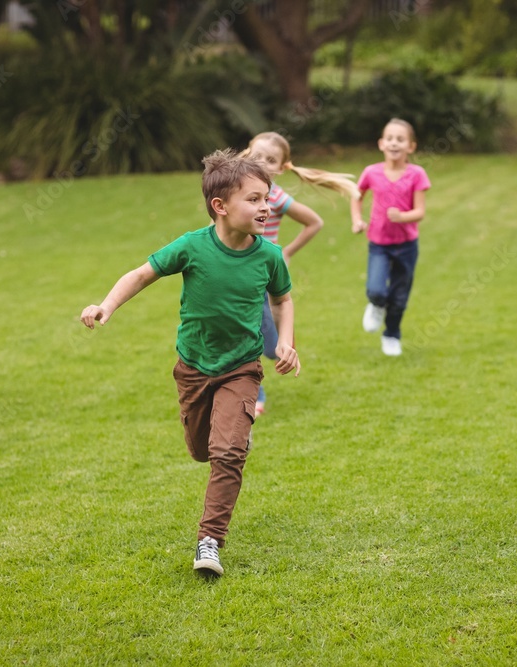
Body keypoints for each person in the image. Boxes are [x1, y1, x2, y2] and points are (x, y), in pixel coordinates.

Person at [80, 148, 300, 577]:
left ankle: (210, 541)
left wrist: (286, 343)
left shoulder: (269, 256)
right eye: (254, 199)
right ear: (220, 207)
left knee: (228, 454)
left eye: (267, 197)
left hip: (242, 367)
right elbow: (141, 274)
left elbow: (284, 300)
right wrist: (106, 305)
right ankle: (228, 440)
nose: (266, 206)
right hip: (194, 367)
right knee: (203, 450)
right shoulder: (192, 247)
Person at [241, 131, 358, 417]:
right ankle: (254, 392)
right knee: (243, 332)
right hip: (234, 272)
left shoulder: (277, 197)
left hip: (263, 275)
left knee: (269, 346)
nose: (262, 162)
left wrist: (287, 252)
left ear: (281, 168)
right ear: (246, 154)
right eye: (257, 155)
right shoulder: (235, 188)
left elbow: (314, 222)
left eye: (271, 160)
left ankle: (280, 346)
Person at [350, 118, 430, 357]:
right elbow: (356, 195)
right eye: (390, 138)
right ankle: (376, 305)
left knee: (399, 295)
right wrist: (356, 219)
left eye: (400, 139)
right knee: (376, 289)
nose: (395, 143)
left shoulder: (417, 174)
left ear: (411, 146)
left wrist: (403, 217)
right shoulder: (371, 172)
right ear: (381, 144)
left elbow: (420, 211)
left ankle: (392, 335)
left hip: (407, 245)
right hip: (379, 244)